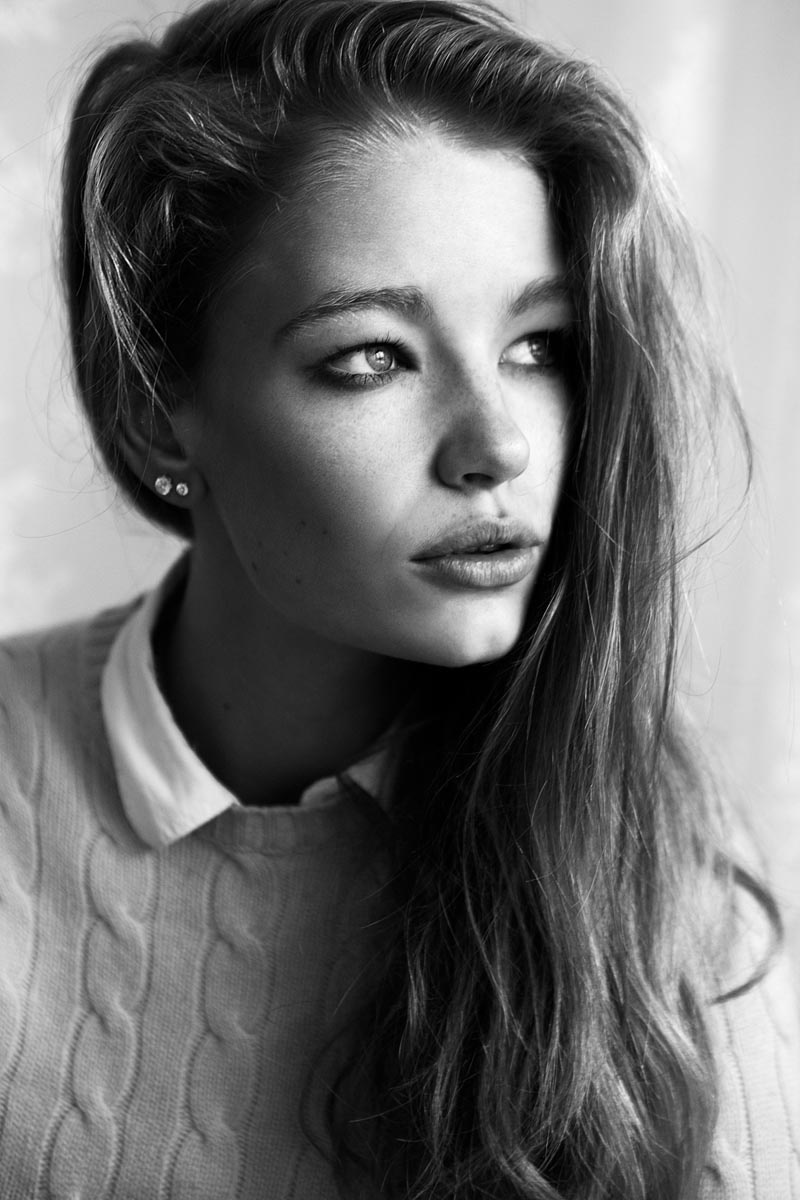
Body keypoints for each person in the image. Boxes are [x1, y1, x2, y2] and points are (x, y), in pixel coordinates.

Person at [0, 0, 797, 1196]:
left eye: (539, 348)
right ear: (155, 402)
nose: (497, 447)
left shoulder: (643, 838)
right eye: (370, 356)